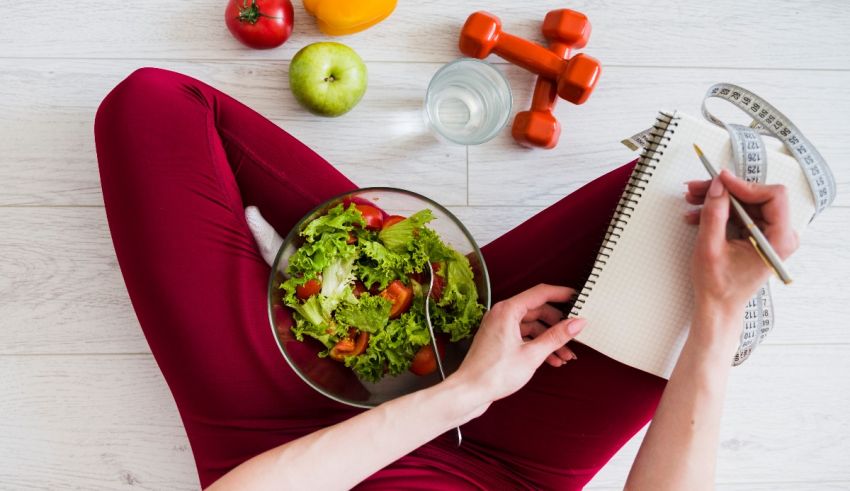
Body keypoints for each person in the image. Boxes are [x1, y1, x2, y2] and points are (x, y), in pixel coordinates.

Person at [94, 68, 798, 490]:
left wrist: (468, 388)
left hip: (276, 441)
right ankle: (420, 301)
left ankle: (408, 299)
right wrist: (719, 311)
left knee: (153, 106)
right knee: (709, 201)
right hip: (504, 463)